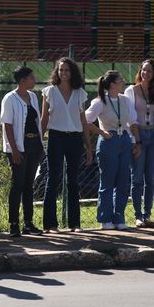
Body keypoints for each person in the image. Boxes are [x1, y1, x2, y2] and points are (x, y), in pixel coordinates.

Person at [41, 58, 92, 233]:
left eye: (67, 70)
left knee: (73, 181)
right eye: (61, 70)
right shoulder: (49, 92)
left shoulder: (79, 93)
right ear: (57, 72)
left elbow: (83, 120)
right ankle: (50, 224)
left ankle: (75, 224)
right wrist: (40, 141)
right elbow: (44, 119)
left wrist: (88, 145)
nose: (63, 73)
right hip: (56, 137)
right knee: (53, 179)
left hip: (75, 138)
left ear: (72, 73)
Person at [85, 71, 141, 230]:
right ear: (111, 85)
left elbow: (132, 122)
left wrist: (137, 142)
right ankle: (105, 218)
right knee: (108, 181)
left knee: (123, 180)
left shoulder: (125, 100)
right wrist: (102, 132)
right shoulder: (100, 101)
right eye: (120, 81)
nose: (123, 83)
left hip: (124, 140)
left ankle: (119, 217)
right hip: (108, 141)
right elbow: (86, 120)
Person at [1, 66, 44, 237]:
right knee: (17, 184)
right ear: (22, 80)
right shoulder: (10, 99)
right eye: (31, 78)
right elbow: (7, 124)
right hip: (19, 144)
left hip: (34, 143)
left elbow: (37, 121)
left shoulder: (33, 97)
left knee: (28, 184)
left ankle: (28, 223)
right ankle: (13, 224)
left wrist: (40, 145)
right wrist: (14, 149)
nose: (34, 81)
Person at [123, 59, 154, 228]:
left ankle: (147, 214)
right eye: (144, 70)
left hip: (153, 137)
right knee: (137, 178)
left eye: (150, 71)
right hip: (138, 136)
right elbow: (128, 118)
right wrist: (135, 141)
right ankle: (138, 215)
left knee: (151, 179)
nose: (146, 73)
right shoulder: (131, 91)